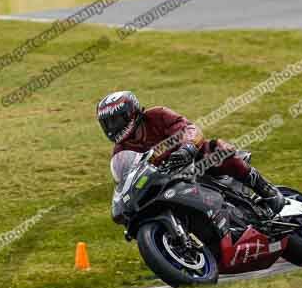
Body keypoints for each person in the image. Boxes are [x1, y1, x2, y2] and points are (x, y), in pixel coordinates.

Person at [96, 90, 286, 215]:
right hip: (165, 181)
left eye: (117, 119)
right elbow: (126, 179)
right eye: (108, 123)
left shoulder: (157, 115)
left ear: (132, 112)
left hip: (195, 160)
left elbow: (190, 129)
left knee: (219, 152)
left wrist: (187, 149)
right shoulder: (120, 151)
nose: (113, 127)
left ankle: (266, 189)